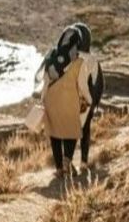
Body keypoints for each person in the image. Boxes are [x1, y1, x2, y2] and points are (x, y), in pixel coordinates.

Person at [38, 23, 103, 176]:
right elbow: (96, 83)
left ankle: (60, 167)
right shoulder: (86, 60)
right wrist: (92, 102)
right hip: (77, 101)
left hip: (53, 100)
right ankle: (82, 162)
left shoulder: (54, 55)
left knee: (56, 132)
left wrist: (43, 99)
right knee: (78, 130)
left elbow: (45, 80)